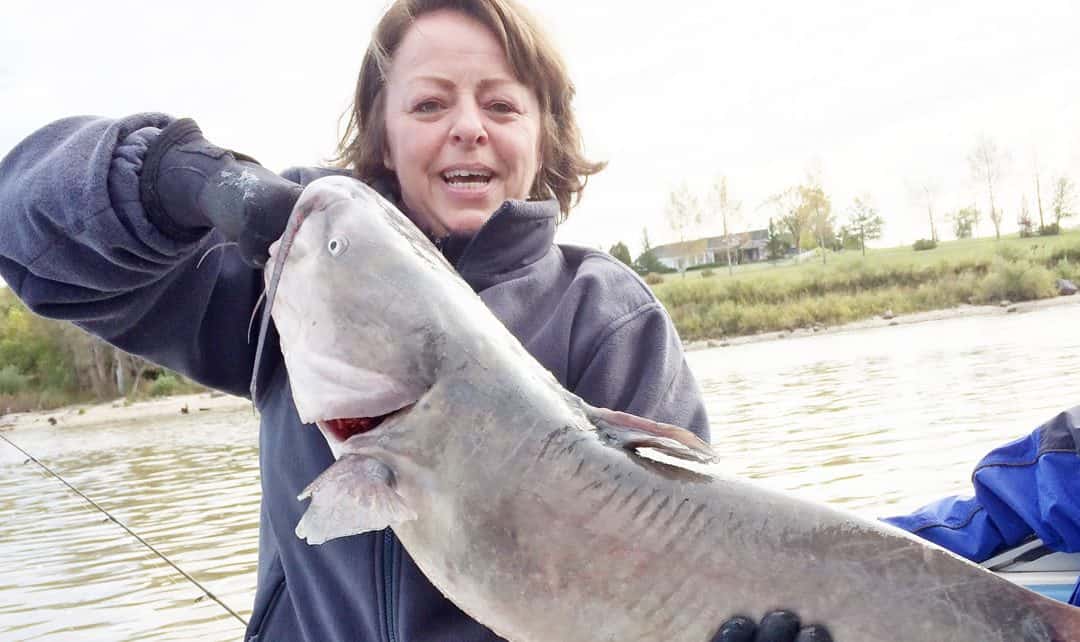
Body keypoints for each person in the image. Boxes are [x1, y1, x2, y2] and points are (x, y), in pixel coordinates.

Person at [0, 1, 829, 640]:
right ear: (383, 138)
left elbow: (689, 544)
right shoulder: (287, 284)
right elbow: (24, 226)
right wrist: (178, 178)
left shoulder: (610, 318)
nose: (468, 124)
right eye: (430, 104)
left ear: (545, 135)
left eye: (501, 105)